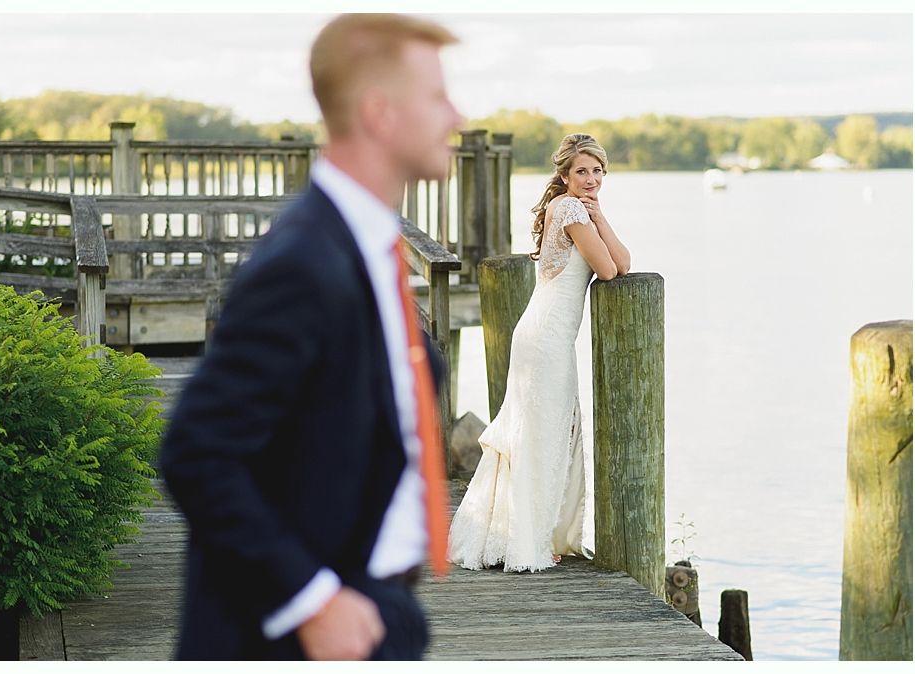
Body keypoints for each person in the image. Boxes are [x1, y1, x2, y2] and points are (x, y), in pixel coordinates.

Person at [160, 14, 463, 660]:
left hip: (379, 603)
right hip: (291, 636)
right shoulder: (302, 263)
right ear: (379, 113)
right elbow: (195, 452)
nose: (456, 115)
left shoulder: (367, 246)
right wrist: (311, 599)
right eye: (437, 96)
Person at [448, 134, 631, 573]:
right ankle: (526, 539)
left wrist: (601, 216)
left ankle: (536, 532)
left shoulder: (582, 210)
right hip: (545, 337)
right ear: (565, 176)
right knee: (540, 434)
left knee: (544, 431)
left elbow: (624, 263)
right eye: (582, 171)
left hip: (546, 336)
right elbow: (607, 270)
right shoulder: (568, 209)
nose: (591, 179)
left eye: (598, 171)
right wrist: (595, 218)